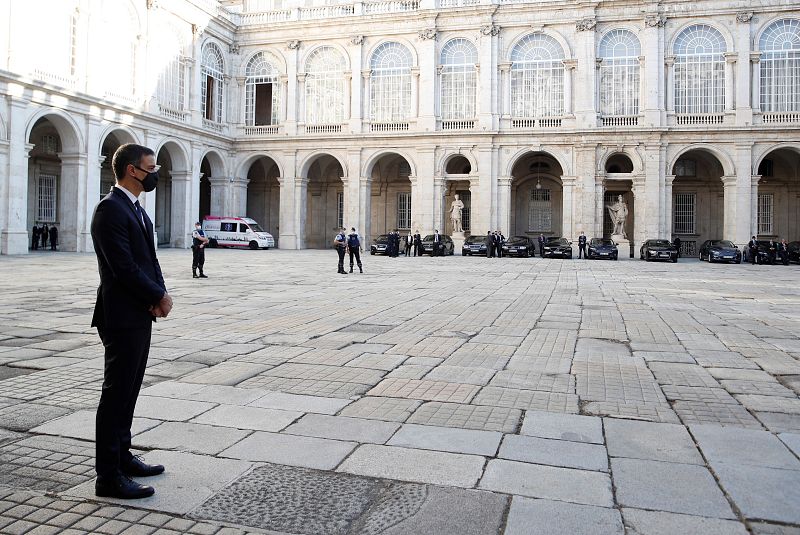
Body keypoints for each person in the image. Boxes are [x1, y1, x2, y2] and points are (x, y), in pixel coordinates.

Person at [91, 143, 172, 500]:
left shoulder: (137, 210)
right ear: (130, 171)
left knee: (130, 391)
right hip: (121, 315)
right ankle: (108, 475)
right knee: (116, 394)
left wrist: (160, 293)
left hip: (139, 312)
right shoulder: (110, 210)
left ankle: (123, 456)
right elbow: (122, 267)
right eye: (150, 168)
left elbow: (149, 261)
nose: (155, 174)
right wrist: (156, 296)